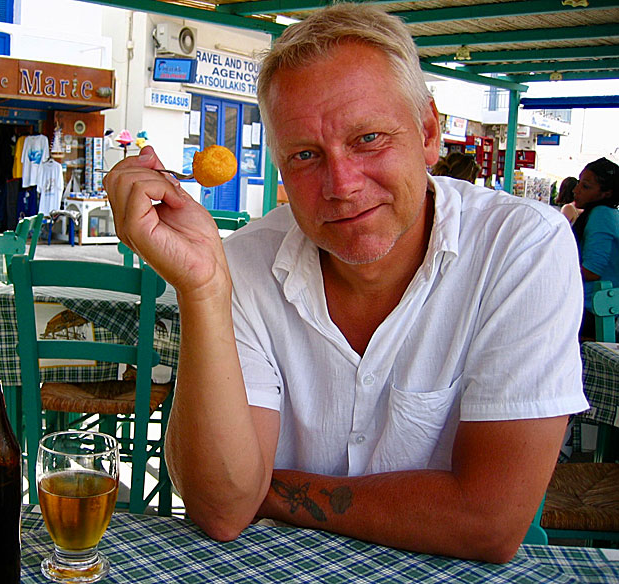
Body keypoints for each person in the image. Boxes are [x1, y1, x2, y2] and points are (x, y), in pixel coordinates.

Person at [103, 3, 586, 564]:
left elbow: (488, 522)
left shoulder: (521, 247)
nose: (341, 185)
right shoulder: (242, 264)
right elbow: (221, 508)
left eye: (368, 139)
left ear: (428, 133)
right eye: (306, 155)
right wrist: (202, 288)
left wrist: (267, 489)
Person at [571, 157, 619, 338]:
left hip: (592, 310)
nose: (576, 190)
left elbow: (592, 271)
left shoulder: (601, 215)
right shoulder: (608, 214)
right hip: (596, 308)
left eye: (585, 187)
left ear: (606, 193)